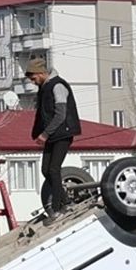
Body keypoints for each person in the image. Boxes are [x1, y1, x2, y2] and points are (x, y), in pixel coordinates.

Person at [25, 57, 81, 221]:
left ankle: (60, 206)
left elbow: (60, 114)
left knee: (54, 169)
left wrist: (45, 134)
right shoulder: (44, 88)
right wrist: (37, 133)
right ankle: (65, 200)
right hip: (52, 135)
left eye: (34, 78)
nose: (33, 82)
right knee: (45, 169)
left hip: (62, 134)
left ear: (41, 73)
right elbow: (42, 114)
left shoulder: (58, 85)